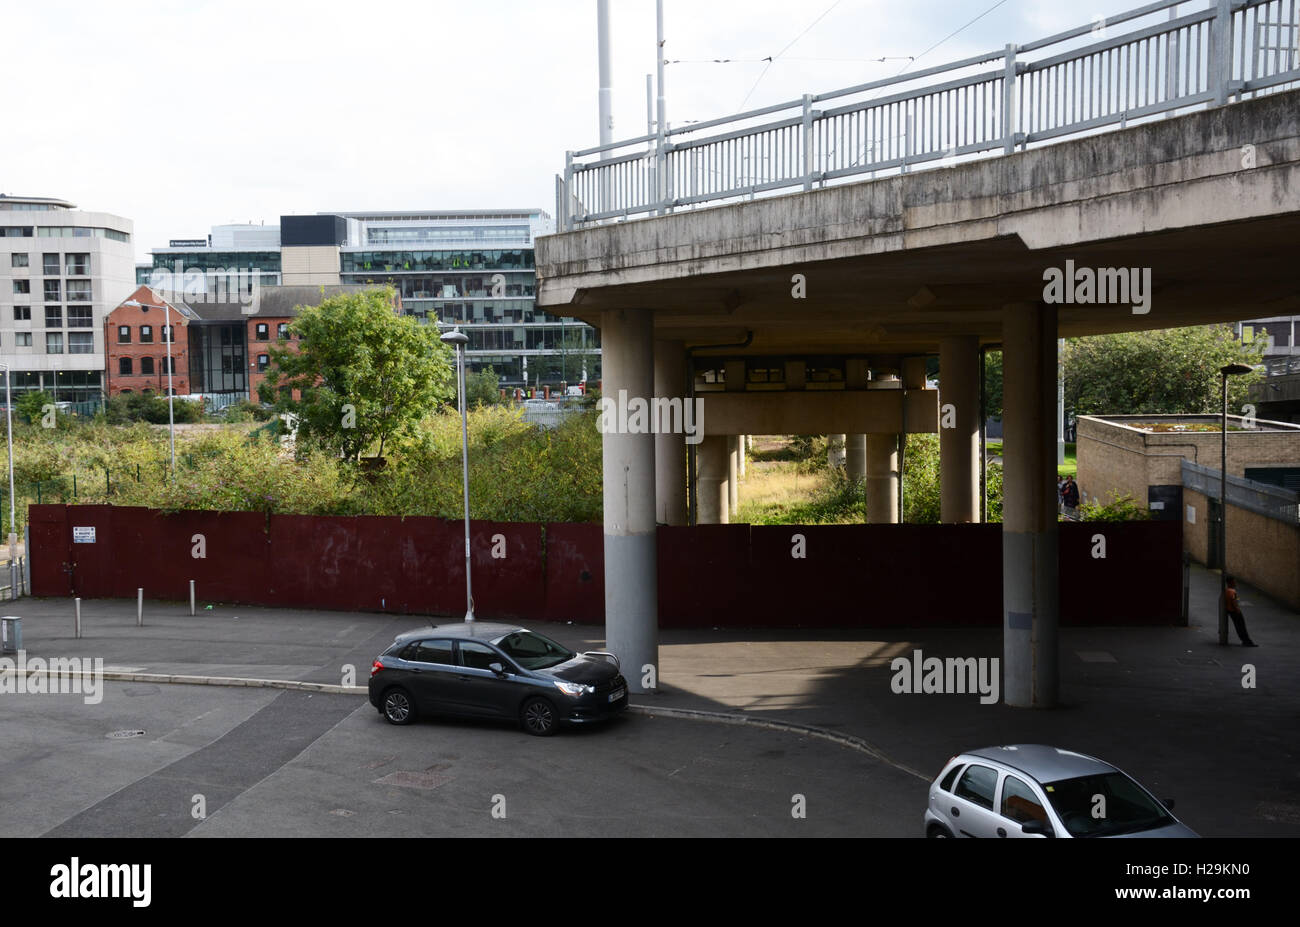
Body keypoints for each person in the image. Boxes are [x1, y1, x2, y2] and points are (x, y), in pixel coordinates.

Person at [1223, 576, 1258, 646]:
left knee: (1238, 626)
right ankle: (1247, 641)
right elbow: (1233, 601)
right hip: (1234, 611)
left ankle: (1244, 640)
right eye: (1234, 581)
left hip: (1230, 611)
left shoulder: (1227, 591)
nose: (1235, 583)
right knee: (1241, 626)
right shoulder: (1231, 591)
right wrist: (1237, 609)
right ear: (1230, 582)